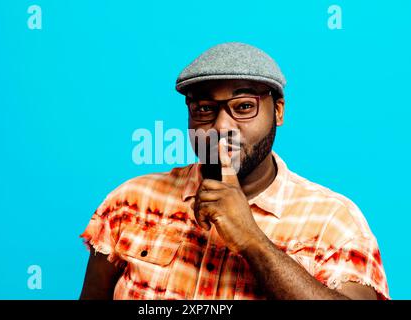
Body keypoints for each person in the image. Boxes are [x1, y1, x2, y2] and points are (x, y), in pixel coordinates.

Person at [79, 42, 389, 300]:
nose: (221, 127)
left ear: (278, 111)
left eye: (243, 107)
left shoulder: (334, 223)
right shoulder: (131, 202)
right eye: (204, 109)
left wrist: (252, 240)